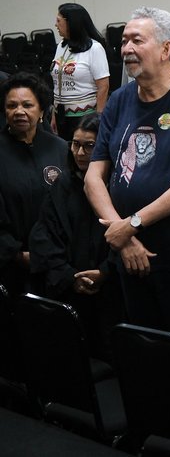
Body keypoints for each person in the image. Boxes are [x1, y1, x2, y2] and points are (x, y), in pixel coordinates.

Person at [85, 7, 170, 355]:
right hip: (127, 253)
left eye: (137, 40)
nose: (126, 48)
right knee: (145, 352)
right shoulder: (118, 101)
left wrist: (131, 225)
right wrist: (121, 234)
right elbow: (93, 177)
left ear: (165, 50)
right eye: (124, 40)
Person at [29, 113, 124, 361]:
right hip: (69, 291)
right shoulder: (62, 185)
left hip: (112, 296)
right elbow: (44, 237)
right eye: (75, 144)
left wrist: (105, 272)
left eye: (89, 145)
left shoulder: (121, 188)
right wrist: (69, 277)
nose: (80, 152)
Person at [0, 73, 68, 295]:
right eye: (12, 106)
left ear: (41, 111)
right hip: (13, 265)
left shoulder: (61, 149)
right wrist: (17, 255)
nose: (19, 111)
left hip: (60, 263)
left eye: (27, 105)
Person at [50, 2, 110, 140]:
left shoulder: (94, 48)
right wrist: (54, 113)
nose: (55, 25)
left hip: (85, 116)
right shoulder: (61, 46)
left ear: (71, 22)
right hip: (61, 115)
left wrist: (98, 118)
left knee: (83, 155)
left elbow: (103, 87)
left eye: (58, 21)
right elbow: (57, 83)